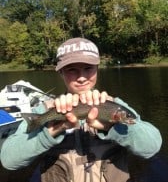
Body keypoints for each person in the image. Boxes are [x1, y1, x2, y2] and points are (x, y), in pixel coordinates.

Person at [0, 37, 162, 182]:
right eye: (72, 70)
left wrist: (112, 127)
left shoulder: (115, 105)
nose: (82, 77)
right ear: (61, 72)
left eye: (88, 68)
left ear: (97, 69)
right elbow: (9, 160)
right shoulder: (47, 109)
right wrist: (50, 131)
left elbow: (151, 147)